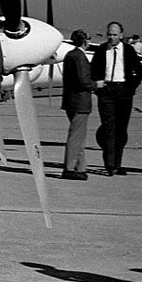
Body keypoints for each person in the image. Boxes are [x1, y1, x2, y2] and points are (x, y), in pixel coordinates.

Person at [90, 21, 142, 176]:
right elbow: (93, 70)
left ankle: (117, 164)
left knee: (121, 129)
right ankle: (109, 164)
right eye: (109, 34)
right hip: (107, 91)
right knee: (108, 128)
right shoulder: (101, 50)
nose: (111, 37)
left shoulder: (128, 50)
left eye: (114, 35)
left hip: (123, 92)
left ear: (121, 35)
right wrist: (99, 87)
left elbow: (139, 70)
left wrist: (131, 87)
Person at [59, 30, 92, 180]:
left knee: (79, 136)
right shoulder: (80, 57)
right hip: (81, 102)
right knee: (76, 136)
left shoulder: (70, 56)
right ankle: (69, 168)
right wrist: (96, 84)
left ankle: (80, 167)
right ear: (85, 41)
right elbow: (84, 81)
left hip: (71, 101)